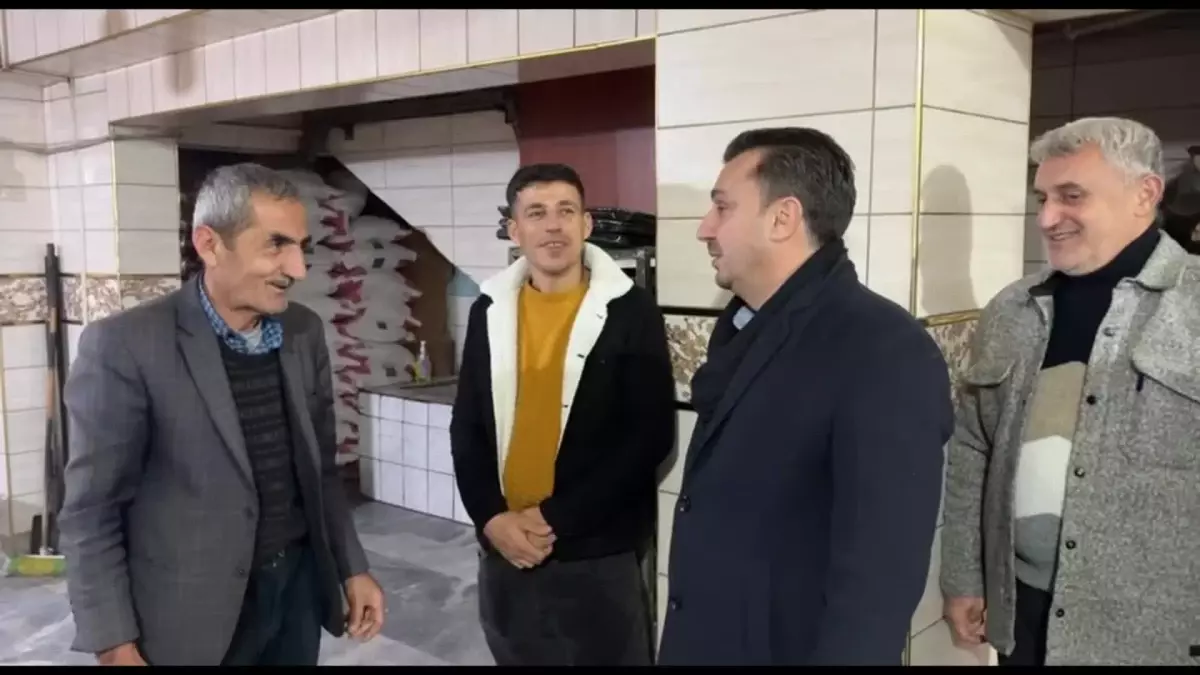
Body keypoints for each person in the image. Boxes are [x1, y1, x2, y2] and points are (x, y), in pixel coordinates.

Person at [58, 163, 385, 666]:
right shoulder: (128, 345)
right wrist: (114, 643)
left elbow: (319, 471)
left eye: (302, 247)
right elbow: (92, 511)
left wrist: (351, 567)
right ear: (210, 245)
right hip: (191, 617)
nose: (297, 269)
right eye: (276, 245)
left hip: (295, 595)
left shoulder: (303, 331)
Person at [655, 128, 952, 665]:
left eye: (722, 207)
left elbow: (878, 582)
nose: (705, 229)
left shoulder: (883, 348)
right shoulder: (744, 324)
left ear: (783, 218)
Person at [940, 117, 1200, 666]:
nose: (1047, 218)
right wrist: (964, 576)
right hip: (1025, 614)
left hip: (1158, 636)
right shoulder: (1013, 308)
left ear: (1145, 194)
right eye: (1043, 198)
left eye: (1072, 196)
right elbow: (973, 447)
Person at [450, 162, 675, 666]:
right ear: (514, 230)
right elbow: (468, 426)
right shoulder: (489, 308)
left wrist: (553, 517)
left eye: (566, 211)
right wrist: (491, 518)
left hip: (597, 553)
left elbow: (649, 435)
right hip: (506, 548)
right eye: (537, 213)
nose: (554, 226)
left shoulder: (630, 309)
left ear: (586, 223)